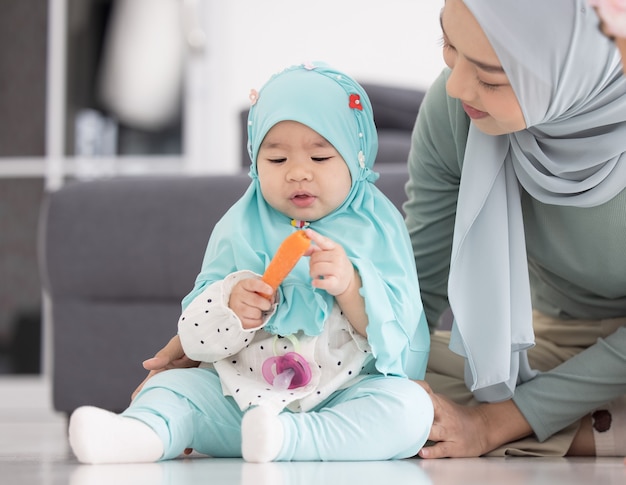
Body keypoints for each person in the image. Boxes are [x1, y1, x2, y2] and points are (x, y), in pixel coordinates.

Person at [68, 62, 433, 464]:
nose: (297, 173)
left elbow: (398, 346)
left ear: (357, 157)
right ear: (255, 163)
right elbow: (195, 336)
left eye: (321, 156)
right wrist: (230, 307)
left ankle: (290, 439)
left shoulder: (379, 228)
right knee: (175, 388)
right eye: (276, 160)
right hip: (239, 402)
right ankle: (139, 434)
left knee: (410, 409)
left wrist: (350, 287)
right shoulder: (238, 227)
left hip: (341, 401)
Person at [404, 0, 626, 459]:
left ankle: (561, 429)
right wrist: (394, 389)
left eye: (491, 76)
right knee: (341, 360)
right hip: (546, 345)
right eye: (448, 44)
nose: (457, 86)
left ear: (576, 71)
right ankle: (596, 429)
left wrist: (491, 424)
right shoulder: (455, 113)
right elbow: (414, 297)